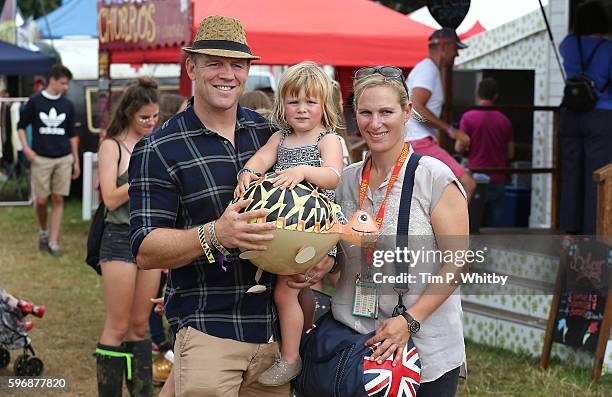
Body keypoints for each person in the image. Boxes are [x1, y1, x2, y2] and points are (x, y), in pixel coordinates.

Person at [128, 16, 333, 397]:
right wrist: (215, 234)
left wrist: (320, 257)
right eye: (214, 63)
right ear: (191, 67)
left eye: (237, 65)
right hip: (209, 330)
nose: (227, 74)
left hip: (275, 340)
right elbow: (144, 249)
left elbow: (318, 204)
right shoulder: (158, 149)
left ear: (247, 71)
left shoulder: (272, 134)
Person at [332, 67, 469, 396]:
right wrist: (318, 265)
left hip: (425, 351)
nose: (375, 123)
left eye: (386, 112)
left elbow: (457, 262)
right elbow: (339, 263)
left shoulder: (434, 177)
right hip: (356, 343)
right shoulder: (345, 181)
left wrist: (409, 320)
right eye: (365, 112)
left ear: (408, 112)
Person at [234, 61, 343, 386]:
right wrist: (248, 173)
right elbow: (262, 159)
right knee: (292, 288)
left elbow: (333, 176)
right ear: (283, 103)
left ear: (324, 105)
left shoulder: (327, 138)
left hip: (314, 228)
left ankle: (291, 358)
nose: (301, 109)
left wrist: (303, 172)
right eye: (294, 101)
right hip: (285, 228)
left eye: (310, 102)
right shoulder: (281, 137)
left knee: (286, 292)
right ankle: (299, 343)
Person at [95, 77, 162, 397]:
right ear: (128, 114)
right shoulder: (112, 146)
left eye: (155, 117)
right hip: (119, 237)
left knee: (140, 325)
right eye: (144, 117)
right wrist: (141, 175)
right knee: (117, 326)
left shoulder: (156, 141)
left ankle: (142, 392)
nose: (150, 123)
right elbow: (109, 197)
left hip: (150, 238)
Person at [558, 0, 612, 235]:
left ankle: (569, 232)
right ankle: (593, 232)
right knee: (597, 176)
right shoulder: (609, 48)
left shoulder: (568, 44)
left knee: (571, 175)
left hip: (571, 114)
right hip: (601, 114)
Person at [405, 28, 476, 201]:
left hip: (414, 140)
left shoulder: (426, 68)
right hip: (419, 140)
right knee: (468, 184)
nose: (457, 54)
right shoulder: (428, 70)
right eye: (456, 48)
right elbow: (417, 107)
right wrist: (452, 131)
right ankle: (452, 228)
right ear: (444, 46)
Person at [17, 64, 79, 256]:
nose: (65, 87)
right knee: (42, 200)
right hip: (41, 157)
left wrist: (75, 160)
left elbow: (72, 135)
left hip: (63, 157)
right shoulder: (35, 101)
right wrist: (26, 148)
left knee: (59, 198)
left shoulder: (67, 105)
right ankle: (43, 231)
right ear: (52, 79)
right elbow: (21, 126)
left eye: (67, 84)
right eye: (62, 83)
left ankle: (53, 242)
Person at [457, 78, 514, 226]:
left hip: (475, 177)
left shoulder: (468, 117)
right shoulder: (505, 120)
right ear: (495, 96)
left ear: (477, 94)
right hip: (498, 177)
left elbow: (459, 147)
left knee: (473, 223)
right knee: (495, 226)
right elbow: (510, 154)